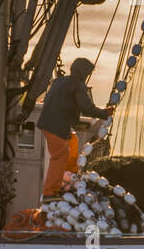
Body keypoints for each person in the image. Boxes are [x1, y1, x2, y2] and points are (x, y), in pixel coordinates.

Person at [36, 58, 111, 199]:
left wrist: (74, 120)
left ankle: (68, 181)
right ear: (83, 72)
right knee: (60, 156)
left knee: (73, 141)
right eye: (88, 72)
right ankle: (50, 192)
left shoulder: (59, 81)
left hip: (47, 123)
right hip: (56, 126)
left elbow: (57, 103)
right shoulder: (78, 85)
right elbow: (86, 108)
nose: (88, 75)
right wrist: (105, 113)